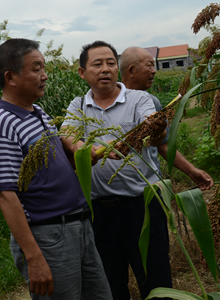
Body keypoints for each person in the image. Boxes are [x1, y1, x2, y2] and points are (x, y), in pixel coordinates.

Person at [0, 38, 112, 300]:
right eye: (36, 68)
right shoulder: (0, 124)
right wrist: (34, 258)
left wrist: (82, 160)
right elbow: (6, 195)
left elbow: (52, 168)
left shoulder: (37, 112)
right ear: (11, 77)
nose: (45, 75)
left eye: (44, 67)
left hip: (79, 226)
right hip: (50, 236)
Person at [61, 41, 171, 300]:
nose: (105, 69)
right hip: (101, 212)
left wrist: (156, 129)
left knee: (155, 281)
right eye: (97, 64)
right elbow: (66, 134)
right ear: (82, 72)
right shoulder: (78, 106)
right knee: (110, 286)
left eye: (111, 63)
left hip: (144, 206)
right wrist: (88, 151)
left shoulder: (139, 99)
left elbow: (154, 132)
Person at [119, 46, 213, 191]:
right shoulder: (105, 103)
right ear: (131, 70)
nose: (154, 70)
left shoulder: (152, 102)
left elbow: (163, 145)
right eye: (149, 65)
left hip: (150, 188)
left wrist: (192, 171)